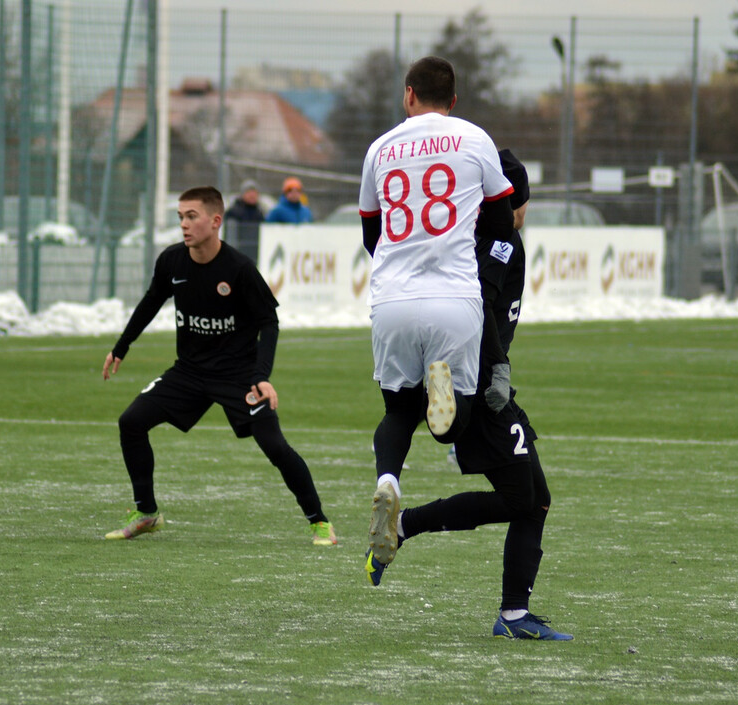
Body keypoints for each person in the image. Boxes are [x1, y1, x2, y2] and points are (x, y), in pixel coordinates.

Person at [363, 150, 572, 642]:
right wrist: (497, 371)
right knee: (528, 500)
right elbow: (481, 302)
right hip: (477, 377)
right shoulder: (502, 241)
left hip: (447, 357)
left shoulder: (457, 236)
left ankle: (408, 527)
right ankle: (511, 614)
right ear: (513, 199)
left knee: (530, 499)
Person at [101, 185, 337, 546]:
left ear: (215, 221)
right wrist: (122, 346)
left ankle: (319, 522)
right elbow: (151, 302)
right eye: (180, 217)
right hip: (189, 372)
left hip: (238, 376)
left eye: (191, 216)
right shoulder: (171, 262)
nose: (183, 224)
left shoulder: (239, 268)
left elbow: (269, 323)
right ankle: (146, 512)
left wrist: (261, 377)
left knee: (274, 446)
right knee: (131, 422)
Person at [357, 55, 514, 575]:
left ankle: (388, 480)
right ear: (454, 99)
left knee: (397, 410)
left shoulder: (381, 148)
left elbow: (370, 233)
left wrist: (398, 263)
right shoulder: (474, 138)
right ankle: (443, 406)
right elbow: (500, 221)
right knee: (452, 424)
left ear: (408, 95)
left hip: (394, 300)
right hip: (455, 297)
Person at [224, 179, 266, 261]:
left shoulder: (260, 213)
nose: (252, 195)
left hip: (255, 254)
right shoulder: (234, 212)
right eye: (249, 192)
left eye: (254, 192)